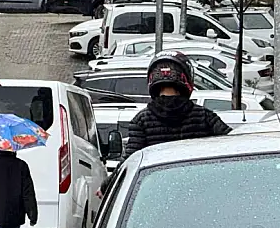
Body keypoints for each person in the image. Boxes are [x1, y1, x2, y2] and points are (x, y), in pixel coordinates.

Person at [99, 50, 232, 196]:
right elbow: (234, 145)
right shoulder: (205, 116)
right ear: (186, 79)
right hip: (200, 191)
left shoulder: (141, 120)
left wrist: (106, 186)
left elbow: (129, 161)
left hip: (158, 195)